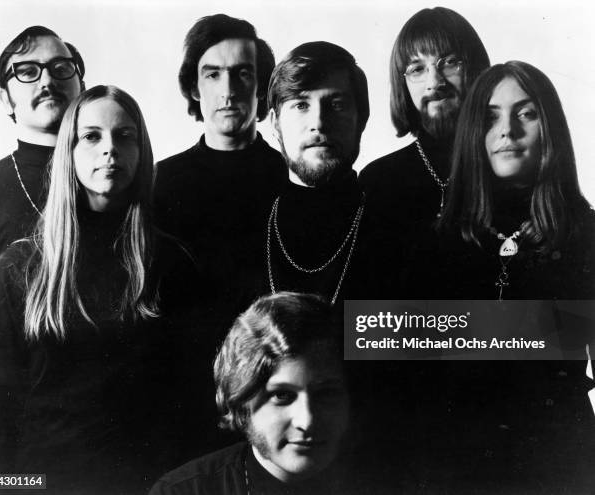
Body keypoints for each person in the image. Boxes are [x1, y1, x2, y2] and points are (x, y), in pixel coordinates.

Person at [0, 85, 201, 494]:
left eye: (125, 135)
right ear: (69, 150)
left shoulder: (170, 263)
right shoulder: (21, 267)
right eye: (92, 136)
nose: (109, 149)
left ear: (141, 151)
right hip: (45, 485)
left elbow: (190, 404)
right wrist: (9, 490)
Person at [404, 61, 595, 492]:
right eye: (490, 117)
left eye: (526, 114)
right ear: (474, 132)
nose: (507, 130)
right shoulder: (437, 243)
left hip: (558, 461)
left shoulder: (588, 235)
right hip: (454, 466)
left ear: (552, 128)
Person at [150, 292, 370, 495]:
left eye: (326, 393)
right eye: (282, 395)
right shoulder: (182, 491)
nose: (307, 421)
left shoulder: (390, 479)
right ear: (241, 401)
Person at [231, 40, 375, 311]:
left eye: (337, 104)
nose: (318, 123)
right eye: (300, 105)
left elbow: (469, 334)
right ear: (275, 122)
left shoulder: (400, 230)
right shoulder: (240, 236)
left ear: (362, 118)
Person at [154, 14, 287, 268]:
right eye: (213, 75)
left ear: (261, 87)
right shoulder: (160, 181)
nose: (228, 91)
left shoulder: (289, 176)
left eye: (243, 73)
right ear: (194, 87)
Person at [358, 7, 490, 260]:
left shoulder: (506, 165)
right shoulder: (378, 181)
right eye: (417, 69)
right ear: (403, 84)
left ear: (475, 68)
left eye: (450, 62)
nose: (435, 81)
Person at [0, 25, 84, 329]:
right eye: (27, 71)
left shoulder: (116, 175)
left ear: (82, 85)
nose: (48, 80)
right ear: (5, 99)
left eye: (61, 68)